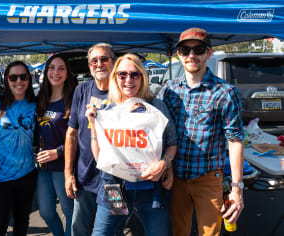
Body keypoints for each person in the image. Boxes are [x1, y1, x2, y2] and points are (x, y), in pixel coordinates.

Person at [157, 27, 245, 236]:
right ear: (178, 54)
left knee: (210, 234)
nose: (191, 55)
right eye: (185, 51)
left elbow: (235, 141)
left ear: (209, 52)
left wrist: (236, 188)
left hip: (207, 179)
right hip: (175, 177)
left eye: (198, 49)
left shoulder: (225, 92)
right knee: (179, 232)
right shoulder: (169, 89)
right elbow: (155, 128)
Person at [85, 53, 177, 236]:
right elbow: (99, 157)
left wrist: (165, 163)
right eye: (122, 75)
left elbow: (172, 143)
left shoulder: (156, 106)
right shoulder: (106, 109)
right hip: (114, 188)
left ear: (142, 77)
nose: (129, 80)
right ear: (115, 78)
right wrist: (94, 127)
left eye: (135, 74)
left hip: (150, 190)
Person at [0, 61, 37, 236]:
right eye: (13, 77)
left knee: (22, 222)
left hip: (26, 173)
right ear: (6, 79)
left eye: (23, 77)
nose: (19, 81)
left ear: (29, 79)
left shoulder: (34, 104)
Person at [64, 43, 114, 236]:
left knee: (113, 227)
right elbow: (71, 134)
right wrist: (68, 174)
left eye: (104, 59)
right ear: (89, 65)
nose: (99, 64)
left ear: (113, 62)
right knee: (80, 228)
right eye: (94, 60)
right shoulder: (81, 90)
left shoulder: (123, 90)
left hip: (114, 180)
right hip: (85, 178)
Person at [35, 54, 77, 236]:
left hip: (63, 166)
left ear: (67, 73)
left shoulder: (74, 98)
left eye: (61, 68)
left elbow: (80, 135)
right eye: (52, 68)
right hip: (43, 167)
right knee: (46, 211)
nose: (55, 72)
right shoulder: (40, 98)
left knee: (69, 212)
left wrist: (58, 152)